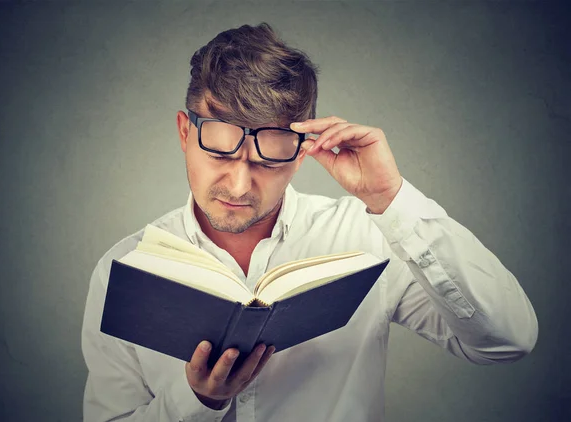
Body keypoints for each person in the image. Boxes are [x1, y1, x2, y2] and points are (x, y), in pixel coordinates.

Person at [81, 22, 538, 422]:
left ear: (301, 153)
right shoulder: (125, 270)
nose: (239, 185)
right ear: (185, 132)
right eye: (220, 146)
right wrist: (197, 399)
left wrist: (391, 199)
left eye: (269, 157)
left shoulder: (367, 238)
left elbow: (508, 340)